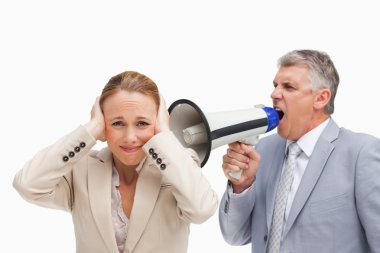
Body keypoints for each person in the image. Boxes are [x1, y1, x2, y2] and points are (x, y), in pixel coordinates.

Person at [13, 70, 218, 253]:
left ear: (158, 123)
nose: (130, 137)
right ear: (104, 124)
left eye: (142, 123)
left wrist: (165, 135)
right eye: (117, 123)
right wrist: (90, 130)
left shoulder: (178, 164)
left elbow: (202, 210)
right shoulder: (81, 169)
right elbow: (27, 185)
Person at [219, 49, 380, 252]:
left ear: (321, 98)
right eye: (275, 85)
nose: (274, 94)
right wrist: (241, 186)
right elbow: (234, 236)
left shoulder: (361, 153)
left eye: (288, 87)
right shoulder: (262, 151)